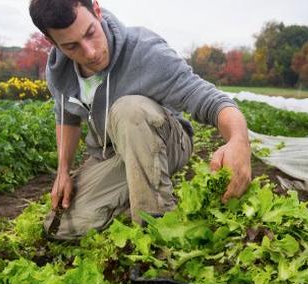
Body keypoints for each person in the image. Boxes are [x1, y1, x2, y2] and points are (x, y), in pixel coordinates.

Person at [29, 0, 251, 240]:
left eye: (91, 33)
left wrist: (239, 140)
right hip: (114, 153)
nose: (90, 52)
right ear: (52, 42)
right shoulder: (58, 71)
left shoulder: (145, 51)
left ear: (97, 9)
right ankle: (140, 196)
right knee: (61, 227)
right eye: (72, 46)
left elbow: (209, 99)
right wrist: (63, 171)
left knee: (129, 110)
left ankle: (157, 231)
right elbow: (67, 115)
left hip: (166, 141)